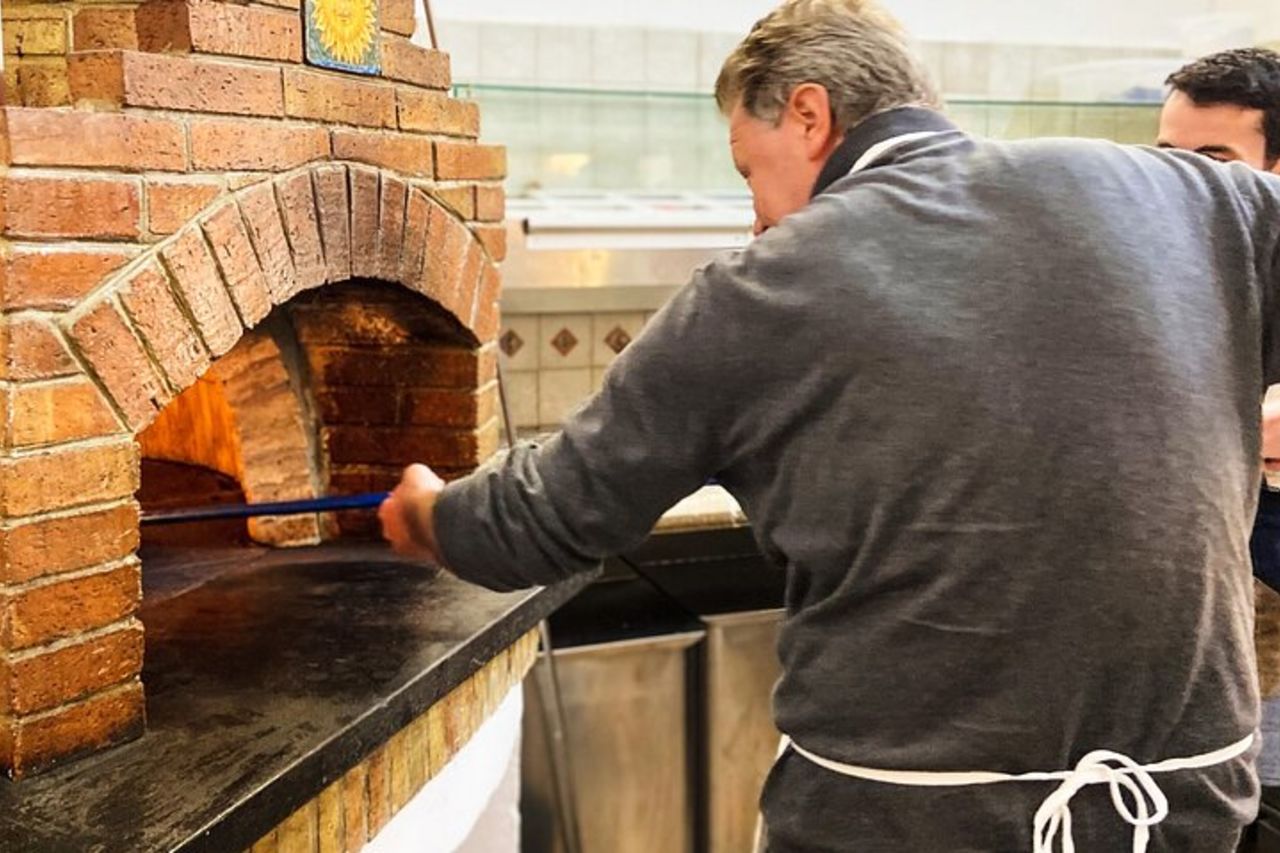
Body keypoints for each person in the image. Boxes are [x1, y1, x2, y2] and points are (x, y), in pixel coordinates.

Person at [381, 1, 1280, 848]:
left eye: (747, 168)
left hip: (905, 815)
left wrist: (430, 511)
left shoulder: (763, 286)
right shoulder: (1194, 198)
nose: (755, 210)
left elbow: (546, 519)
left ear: (809, 115)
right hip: (1181, 799)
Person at [1157, 47, 1280, 851]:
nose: (1184, 189)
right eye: (1168, 162)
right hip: (1189, 647)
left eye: (1216, 162)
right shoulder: (1163, 280)